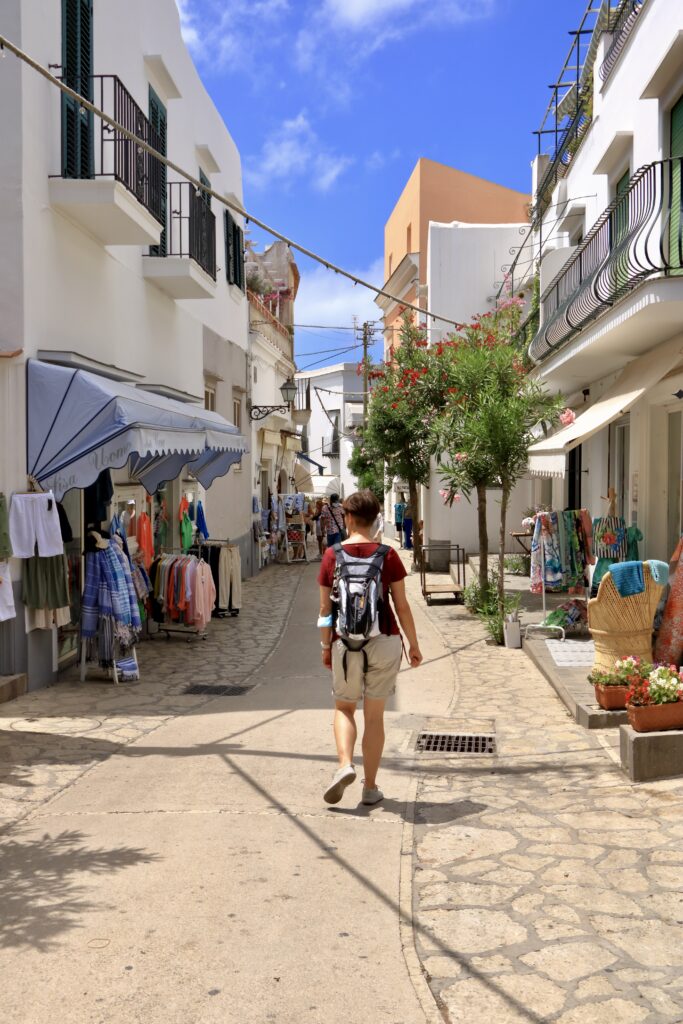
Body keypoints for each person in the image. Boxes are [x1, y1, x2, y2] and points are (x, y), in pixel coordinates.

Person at [317, 489, 423, 806]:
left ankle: (345, 765)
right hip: (385, 640)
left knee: (344, 708)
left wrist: (325, 646)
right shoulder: (386, 554)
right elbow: (402, 606)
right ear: (376, 519)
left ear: (347, 518)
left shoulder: (331, 555)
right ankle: (370, 787)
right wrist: (413, 645)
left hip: (344, 643)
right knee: (374, 718)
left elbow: (325, 611)